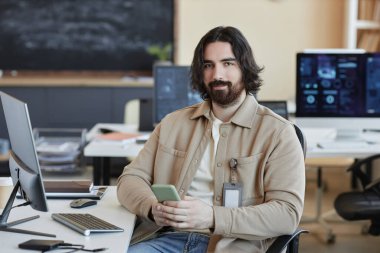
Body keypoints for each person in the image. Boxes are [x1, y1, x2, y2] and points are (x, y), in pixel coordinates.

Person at [117, 26, 305, 253]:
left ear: (245, 68)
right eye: (208, 65)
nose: (217, 75)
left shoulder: (279, 133)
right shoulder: (173, 123)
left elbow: (287, 214)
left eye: (228, 64)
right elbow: (130, 179)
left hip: (237, 245)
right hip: (168, 239)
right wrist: (151, 207)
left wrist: (213, 217)